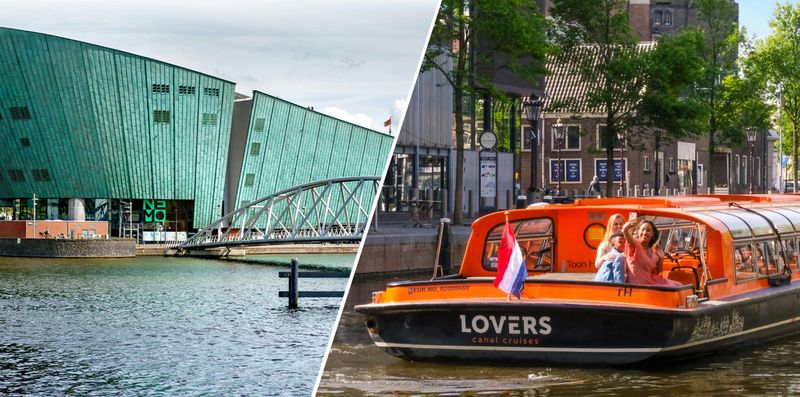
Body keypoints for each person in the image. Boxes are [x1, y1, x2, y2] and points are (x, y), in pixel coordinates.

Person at [622, 217, 682, 287]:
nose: (644, 233)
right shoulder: (635, 245)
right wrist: (626, 229)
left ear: (652, 234)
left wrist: (661, 258)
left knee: (678, 285)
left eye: (648, 230)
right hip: (638, 287)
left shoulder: (653, 252)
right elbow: (627, 236)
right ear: (638, 232)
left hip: (652, 283)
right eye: (642, 230)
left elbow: (658, 272)